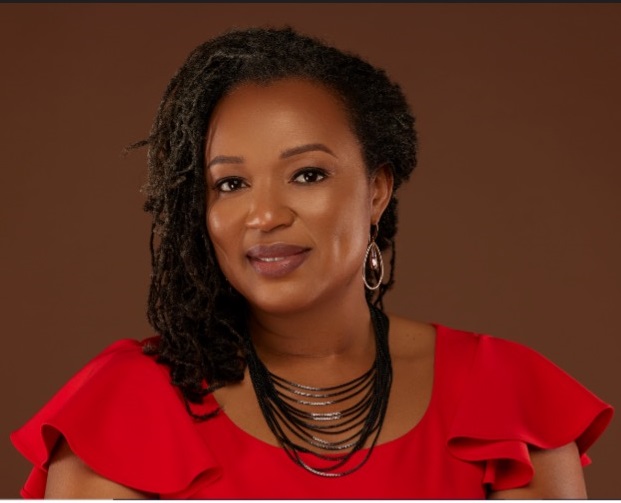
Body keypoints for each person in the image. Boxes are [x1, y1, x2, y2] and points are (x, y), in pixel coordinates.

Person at [10, 26, 613, 499]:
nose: (264, 215)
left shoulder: (507, 399)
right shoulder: (122, 407)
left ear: (377, 190)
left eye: (307, 174)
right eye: (230, 184)